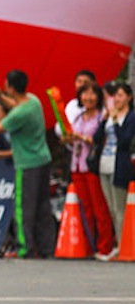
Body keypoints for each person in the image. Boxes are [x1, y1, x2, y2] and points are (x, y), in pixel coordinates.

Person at [0, 70, 56, 258]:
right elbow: (15, 103)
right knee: (42, 206)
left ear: (11, 87)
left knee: (23, 209)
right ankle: (47, 247)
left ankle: (25, 247)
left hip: (27, 163)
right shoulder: (33, 101)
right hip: (43, 159)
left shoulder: (19, 114)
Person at [64, 83, 114, 259]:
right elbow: (72, 139)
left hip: (92, 165)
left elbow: (100, 139)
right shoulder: (78, 117)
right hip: (77, 165)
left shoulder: (102, 116)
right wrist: (70, 139)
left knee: (99, 207)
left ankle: (104, 246)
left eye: (92, 94)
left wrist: (82, 138)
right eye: (85, 94)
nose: (88, 98)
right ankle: (88, 245)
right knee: (85, 208)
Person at [94, 81, 135, 259]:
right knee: (111, 209)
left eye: (119, 95)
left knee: (120, 210)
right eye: (114, 96)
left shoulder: (131, 117)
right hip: (105, 164)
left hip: (120, 166)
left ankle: (124, 244)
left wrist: (117, 122)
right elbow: (97, 138)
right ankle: (118, 243)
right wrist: (104, 121)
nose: (116, 99)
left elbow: (125, 140)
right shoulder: (109, 115)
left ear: (128, 97)